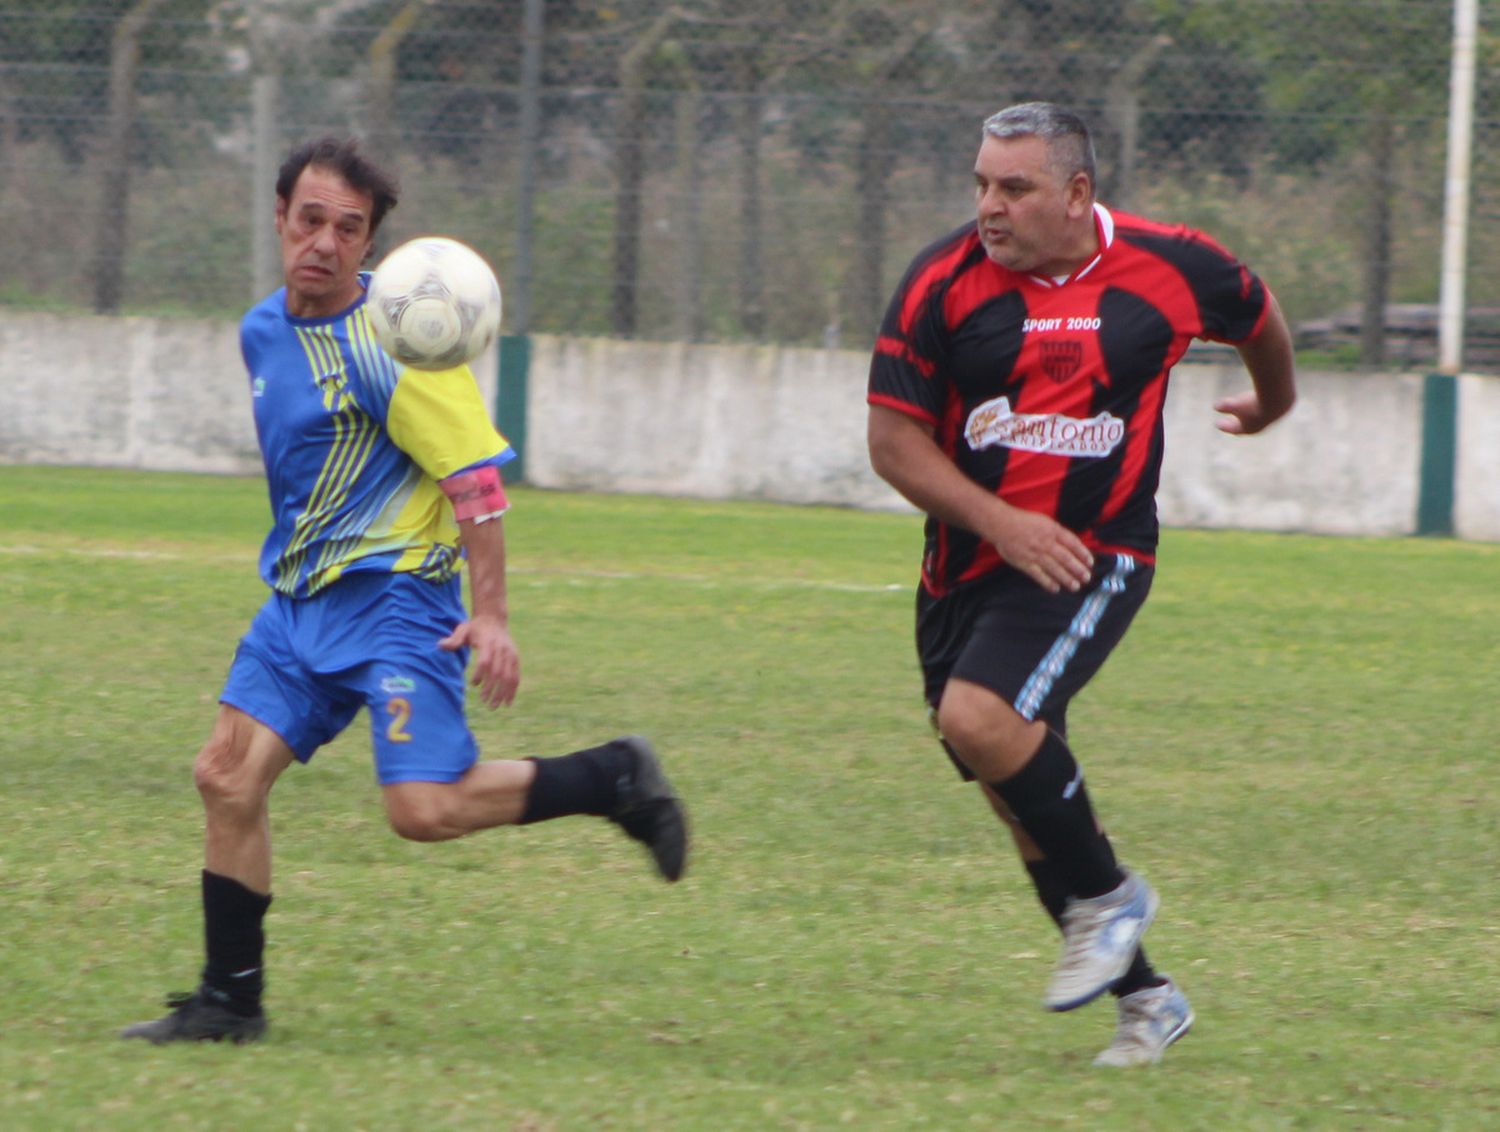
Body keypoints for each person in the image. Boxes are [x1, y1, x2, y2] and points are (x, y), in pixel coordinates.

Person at [122, 137, 688, 1045]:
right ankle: (229, 1004)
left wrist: (492, 615)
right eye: (310, 220)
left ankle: (612, 777)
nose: (325, 243)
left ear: (370, 245)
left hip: (397, 603)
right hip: (301, 600)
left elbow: (475, 482)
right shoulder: (262, 328)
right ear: (279, 219)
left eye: (349, 229)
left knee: (422, 810)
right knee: (226, 778)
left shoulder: (399, 345)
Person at [866, 102, 1295, 1067]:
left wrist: (1273, 404)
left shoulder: (1173, 265)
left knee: (979, 721)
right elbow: (892, 444)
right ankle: (1149, 999)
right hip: (967, 566)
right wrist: (1001, 525)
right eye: (980, 183)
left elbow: (1259, 316)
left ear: (1076, 193)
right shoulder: (941, 281)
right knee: (1016, 790)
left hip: (1095, 554)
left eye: (1013, 188)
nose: (990, 206)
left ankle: (1108, 901)